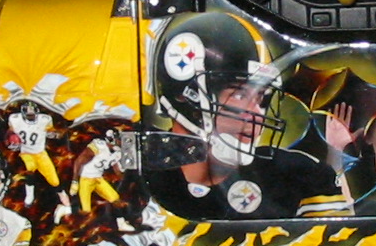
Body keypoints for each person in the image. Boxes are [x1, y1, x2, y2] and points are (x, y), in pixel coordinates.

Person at [148, 13, 350, 220]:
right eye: (239, 94)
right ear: (186, 95)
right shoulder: (142, 174)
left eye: (261, 97)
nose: (257, 114)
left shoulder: (298, 174)